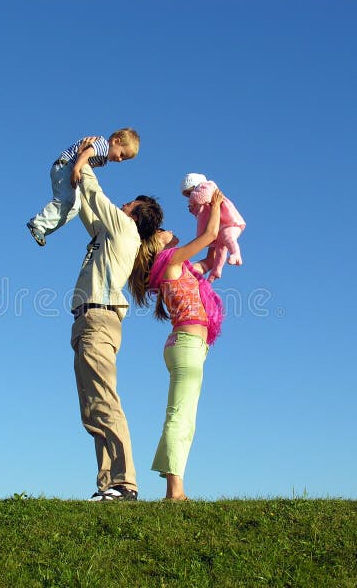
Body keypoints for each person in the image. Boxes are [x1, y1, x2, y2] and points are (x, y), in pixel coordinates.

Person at [70, 163, 163, 501]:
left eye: (129, 206)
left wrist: (86, 163)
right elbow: (88, 207)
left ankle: (125, 483)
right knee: (92, 408)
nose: (123, 207)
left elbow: (96, 196)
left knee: (105, 401)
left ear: (135, 217)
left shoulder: (125, 229)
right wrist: (74, 184)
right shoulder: (108, 235)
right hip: (85, 320)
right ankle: (108, 485)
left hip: (98, 319)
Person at [128, 187, 225, 501]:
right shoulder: (170, 263)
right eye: (160, 231)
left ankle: (175, 486)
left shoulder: (179, 268)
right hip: (185, 346)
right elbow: (209, 236)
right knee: (180, 416)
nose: (167, 231)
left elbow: (209, 258)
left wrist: (226, 232)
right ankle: (174, 491)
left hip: (187, 346)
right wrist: (214, 205)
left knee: (184, 416)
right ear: (156, 244)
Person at [26, 128, 141, 247]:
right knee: (65, 200)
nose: (120, 160)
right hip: (65, 166)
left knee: (75, 208)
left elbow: (87, 166)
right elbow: (85, 154)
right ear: (116, 141)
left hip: (69, 169)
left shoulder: (103, 160)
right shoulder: (102, 145)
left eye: (124, 159)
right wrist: (76, 169)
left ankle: (43, 229)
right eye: (121, 154)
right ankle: (38, 224)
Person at [180, 172, 246, 282]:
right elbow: (202, 213)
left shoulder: (207, 186)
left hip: (229, 222)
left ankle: (236, 254)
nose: (189, 196)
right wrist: (194, 209)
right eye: (187, 195)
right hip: (219, 227)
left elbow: (203, 197)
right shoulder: (199, 198)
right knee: (220, 249)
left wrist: (193, 202)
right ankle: (216, 270)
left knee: (227, 236)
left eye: (189, 193)